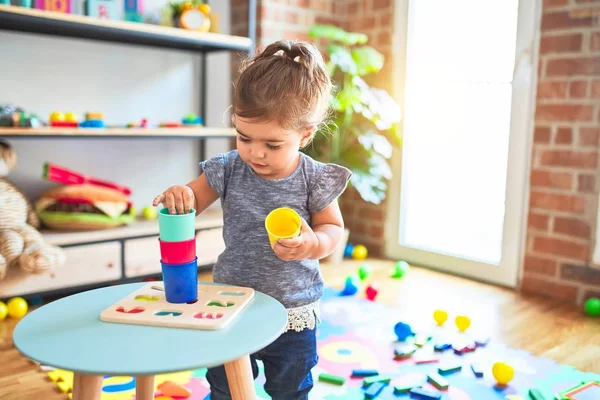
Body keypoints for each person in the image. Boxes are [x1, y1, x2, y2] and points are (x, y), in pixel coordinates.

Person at [152, 39, 351, 400]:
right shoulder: (229, 168)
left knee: (290, 390)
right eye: (244, 137)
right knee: (224, 389)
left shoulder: (314, 178)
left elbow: (333, 230)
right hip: (231, 303)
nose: (255, 152)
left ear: (304, 136)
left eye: (272, 144)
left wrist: (313, 244)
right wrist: (180, 197)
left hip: (292, 309)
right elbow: (191, 202)